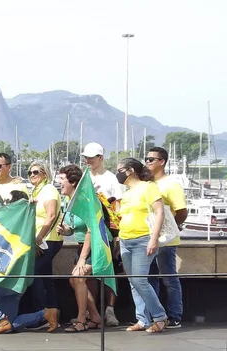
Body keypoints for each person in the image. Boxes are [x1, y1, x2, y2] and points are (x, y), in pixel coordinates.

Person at [0, 153, 58, 334]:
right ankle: (45, 314)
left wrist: (36, 240)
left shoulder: (20, 188)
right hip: (7, 267)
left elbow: (33, 215)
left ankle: (0, 319)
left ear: (8, 167)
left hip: (10, 268)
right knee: (11, 325)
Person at [116, 157, 167, 333]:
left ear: (130, 170)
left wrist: (154, 239)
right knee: (133, 282)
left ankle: (160, 317)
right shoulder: (127, 193)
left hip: (143, 239)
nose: (118, 173)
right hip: (125, 240)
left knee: (139, 280)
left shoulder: (148, 187)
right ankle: (142, 319)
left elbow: (159, 212)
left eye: (120, 170)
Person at [56, 165, 106, 332]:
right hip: (81, 245)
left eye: (62, 179)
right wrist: (66, 230)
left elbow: (92, 230)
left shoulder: (86, 201)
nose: (59, 183)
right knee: (74, 280)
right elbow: (75, 227)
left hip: (96, 246)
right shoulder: (67, 201)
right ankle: (96, 317)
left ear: (73, 182)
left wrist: (83, 258)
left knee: (78, 278)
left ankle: (81, 319)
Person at [145, 147, 188, 329]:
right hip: (148, 238)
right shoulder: (147, 184)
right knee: (150, 278)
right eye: (146, 159)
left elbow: (182, 211)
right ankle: (156, 316)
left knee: (169, 278)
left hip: (166, 241)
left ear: (162, 162)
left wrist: (171, 229)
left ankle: (174, 315)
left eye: (151, 159)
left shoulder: (171, 185)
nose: (147, 162)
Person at [81, 142, 121, 326]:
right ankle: (94, 311)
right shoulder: (85, 177)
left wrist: (118, 233)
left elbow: (117, 206)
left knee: (108, 270)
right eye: (86, 157)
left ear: (101, 158)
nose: (88, 160)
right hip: (89, 230)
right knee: (91, 274)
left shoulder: (111, 178)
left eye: (92, 157)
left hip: (106, 230)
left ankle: (110, 310)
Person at [28, 161, 63, 327]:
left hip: (48, 239)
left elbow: (51, 215)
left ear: (45, 173)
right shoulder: (36, 190)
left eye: (36, 172)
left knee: (34, 272)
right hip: (41, 239)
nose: (32, 175)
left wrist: (38, 238)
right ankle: (53, 313)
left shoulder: (49, 189)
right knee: (45, 277)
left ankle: (42, 313)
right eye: (30, 173)